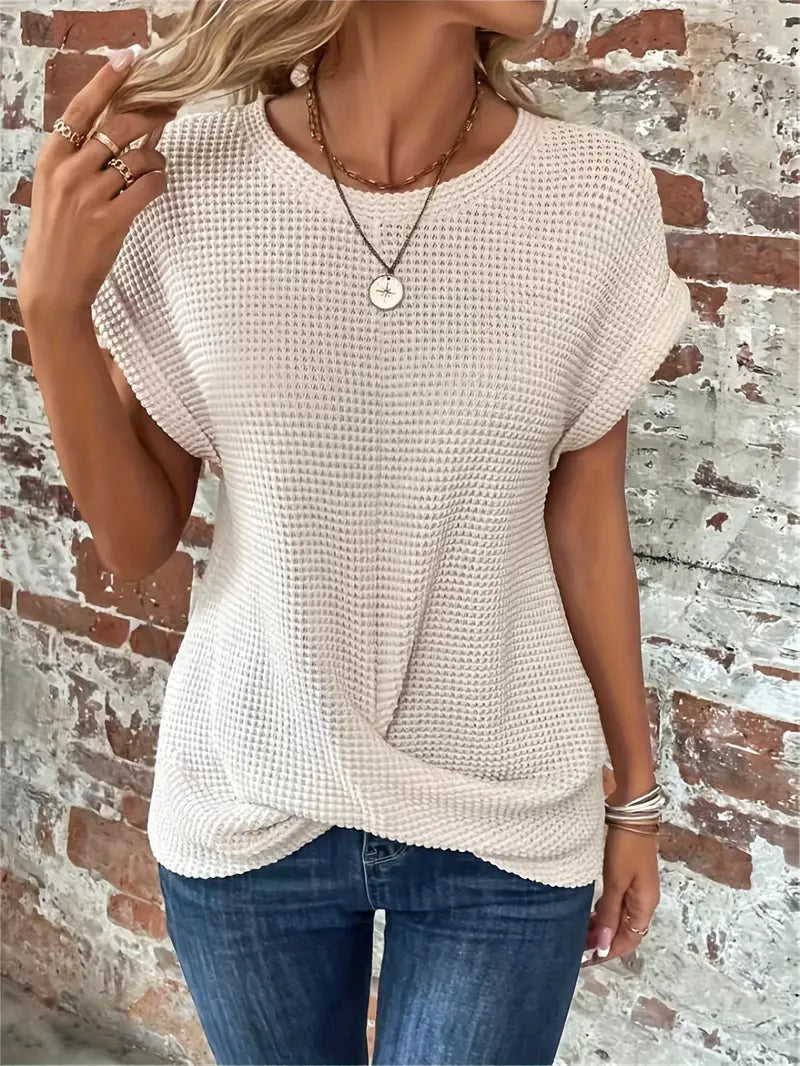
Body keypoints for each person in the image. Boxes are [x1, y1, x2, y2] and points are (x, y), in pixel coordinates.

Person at [19, 1, 690, 1062]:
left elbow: (584, 519)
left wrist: (635, 800)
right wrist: (51, 309)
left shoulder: (590, 193)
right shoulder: (191, 171)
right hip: (250, 796)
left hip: (506, 816)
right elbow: (138, 542)